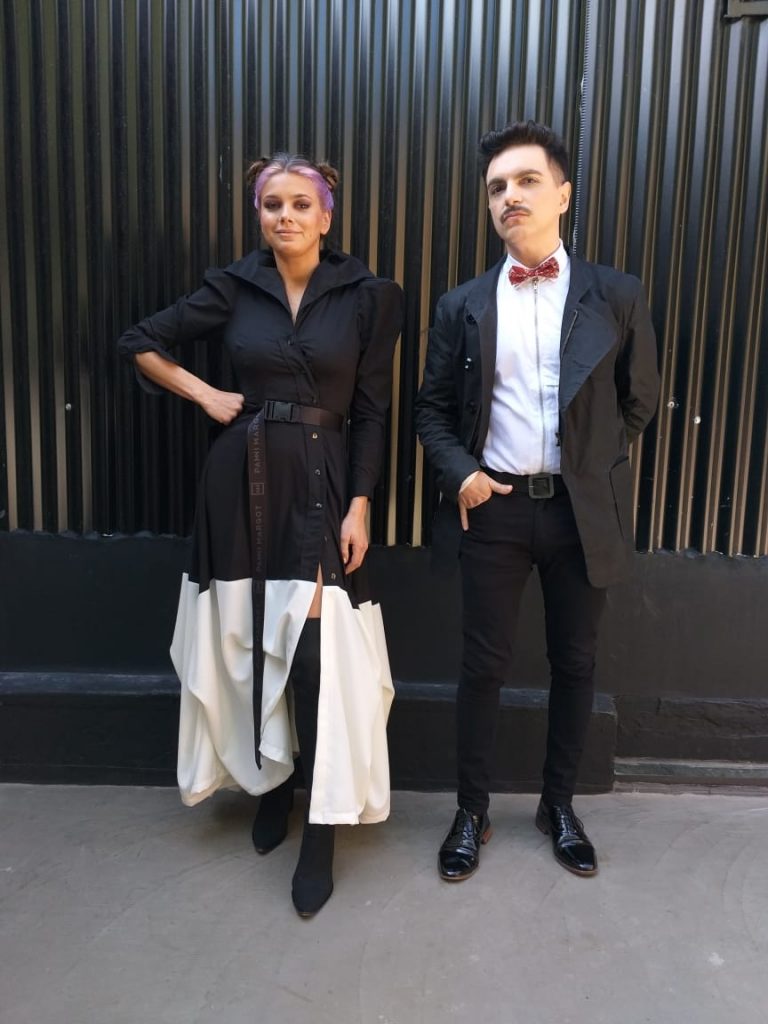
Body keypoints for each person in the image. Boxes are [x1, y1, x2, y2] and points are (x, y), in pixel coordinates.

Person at [118, 154, 403, 916]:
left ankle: (320, 820)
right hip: (239, 483)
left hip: (324, 485)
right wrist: (205, 393)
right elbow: (140, 341)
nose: (286, 216)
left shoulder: (368, 296)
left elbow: (373, 411)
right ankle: (272, 782)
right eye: (272, 204)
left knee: (314, 653)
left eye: (301, 203)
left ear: (326, 215)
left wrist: (360, 505)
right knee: (249, 639)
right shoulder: (234, 288)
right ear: (259, 215)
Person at [416, 121, 659, 881]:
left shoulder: (616, 294)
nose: (509, 196)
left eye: (526, 181)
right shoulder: (462, 305)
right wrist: (463, 474)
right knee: (481, 665)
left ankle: (559, 805)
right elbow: (431, 410)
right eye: (497, 187)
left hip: (580, 513)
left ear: (563, 193)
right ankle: (471, 810)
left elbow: (639, 400)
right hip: (493, 508)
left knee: (575, 662)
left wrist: (590, 464)